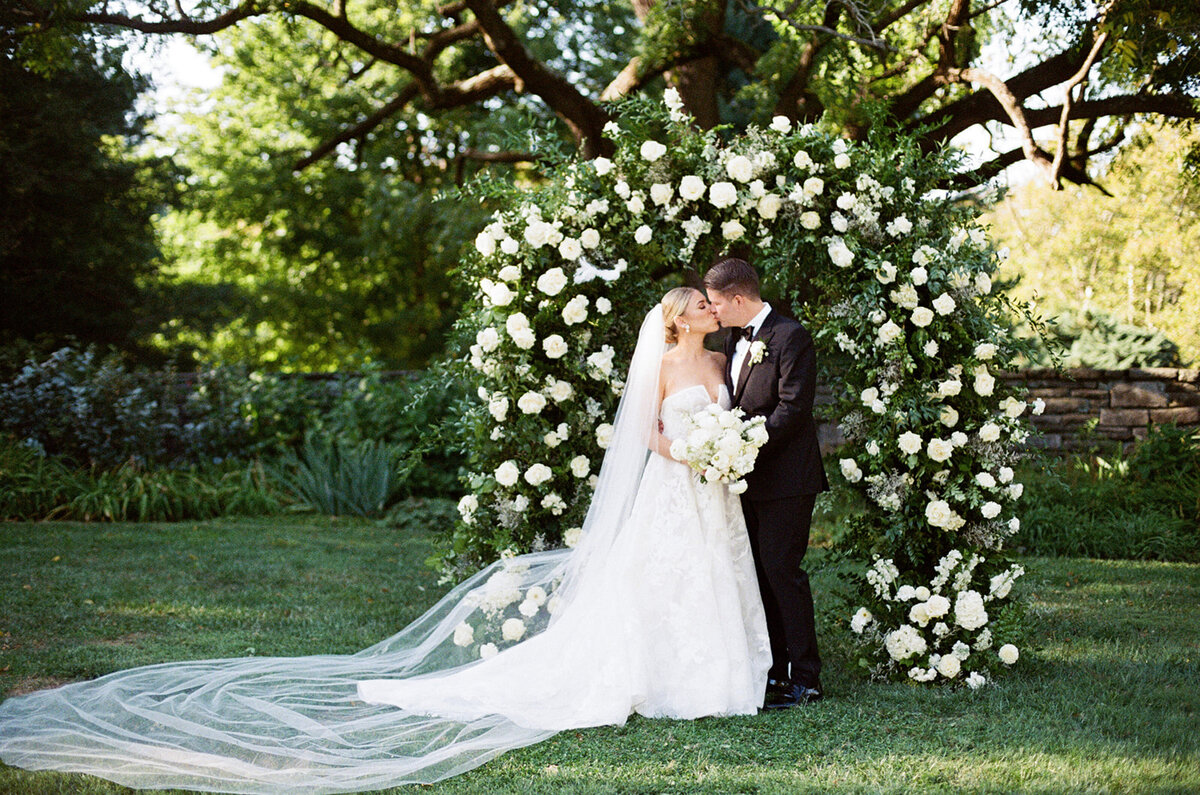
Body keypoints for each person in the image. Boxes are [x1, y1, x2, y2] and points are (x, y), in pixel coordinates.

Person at [0, 288, 770, 794]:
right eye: (699, 302)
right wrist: (697, 452)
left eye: (710, 300)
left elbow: (724, 414)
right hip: (677, 486)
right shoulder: (668, 361)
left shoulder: (722, 358)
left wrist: (725, 448)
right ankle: (657, 674)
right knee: (659, 581)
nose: (709, 306)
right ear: (677, 319)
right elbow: (646, 437)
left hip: (714, 495)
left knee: (707, 578)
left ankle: (710, 673)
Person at [703, 257, 830, 708]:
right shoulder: (733, 339)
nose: (712, 311)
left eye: (717, 303)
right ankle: (773, 671)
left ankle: (806, 678)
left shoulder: (790, 336)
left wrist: (742, 448)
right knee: (756, 575)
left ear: (739, 299)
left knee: (783, 572)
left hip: (787, 478)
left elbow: (793, 410)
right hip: (744, 480)